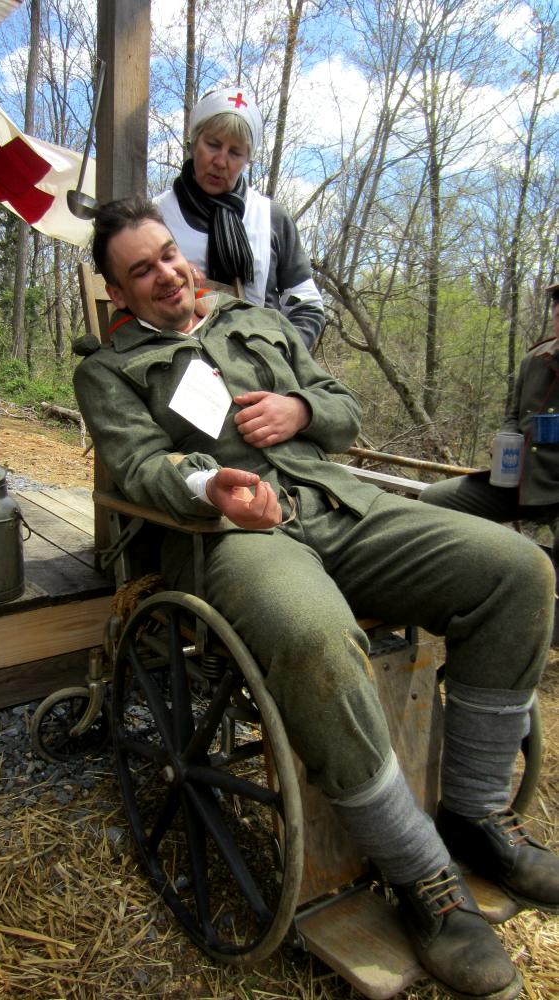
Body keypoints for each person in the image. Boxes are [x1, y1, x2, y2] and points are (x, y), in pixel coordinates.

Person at [74, 197, 559, 1000]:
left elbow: (343, 409)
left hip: (340, 506)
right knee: (311, 633)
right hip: (234, 538)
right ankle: (422, 875)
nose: (166, 275)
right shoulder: (109, 371)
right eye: (141, 271)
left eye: (168, 255)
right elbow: (139, 467)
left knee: (518, 571)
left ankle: (476, 817)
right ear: (119, 293)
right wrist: (211, 485)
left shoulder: (257, 322)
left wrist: (300, 407)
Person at [154, 86, 325, 351]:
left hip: (262, 360)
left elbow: (307, 305)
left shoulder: (271, 218)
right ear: (194, 143)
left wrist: (279, 356)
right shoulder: (157, 215)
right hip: (176, 358)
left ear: (247, 159)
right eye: (213, 145)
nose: (221, 161)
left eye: (235, 153)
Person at [421, 284, 559, 572]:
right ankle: (464, 579)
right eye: (558, 308)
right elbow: (514, 415)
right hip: (521, 481)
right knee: (434, 500)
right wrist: (505, 439)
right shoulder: (535, 359)